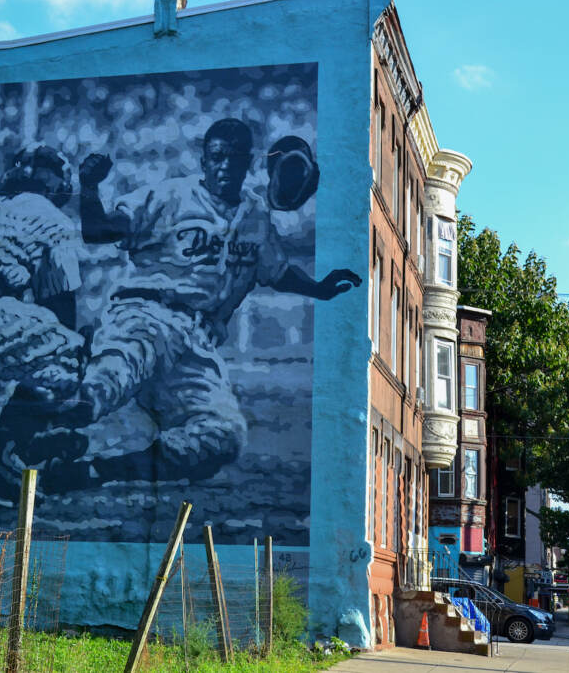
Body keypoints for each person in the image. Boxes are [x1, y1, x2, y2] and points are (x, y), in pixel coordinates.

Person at [36, 117, 360, 491]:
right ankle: (28, 442)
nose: (225, 166)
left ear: (248, 162)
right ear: (204, 161)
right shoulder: (169, 196)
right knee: (104, 384)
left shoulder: (255, 215)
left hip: (197, 342)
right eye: (217, 157)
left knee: (223, 436)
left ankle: (94, 471)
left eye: (234, 159)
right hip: (144, 315)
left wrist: (319, 288)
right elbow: (99, 232)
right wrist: (89, 187)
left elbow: (277, 269)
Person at [0, 145, 87, 501]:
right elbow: (61, 304)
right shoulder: (49, 215)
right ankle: (0, 452)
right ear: (59, 184)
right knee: (68, 355)